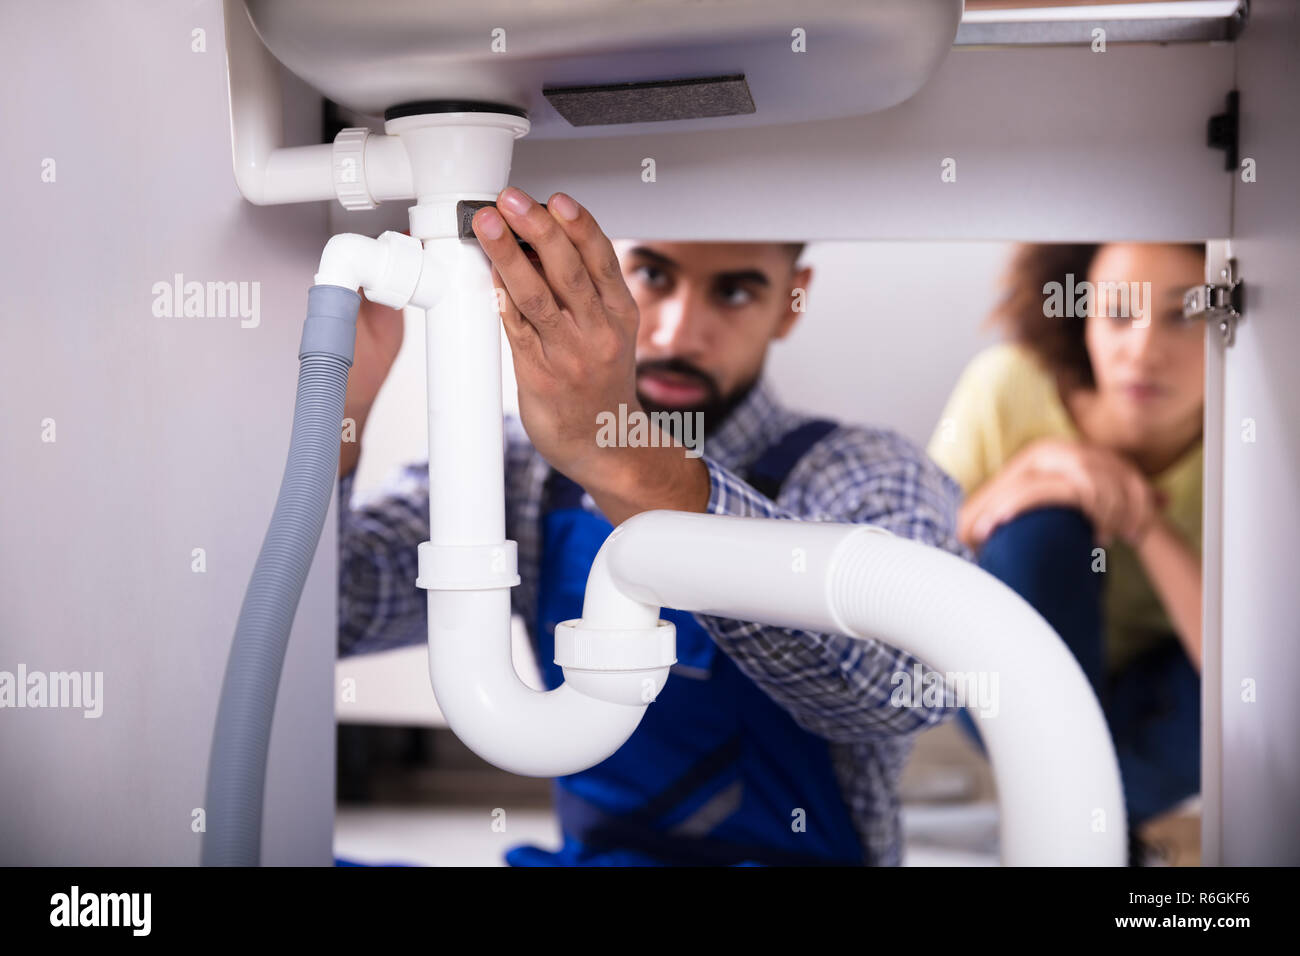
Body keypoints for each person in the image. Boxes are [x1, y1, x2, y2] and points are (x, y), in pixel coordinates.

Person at [337, 186, 966, 866]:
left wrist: (620, 459)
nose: (676, 334)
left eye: (734, 293)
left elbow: (906, 692)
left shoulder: (869, 473)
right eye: (654, 276)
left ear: (792, 301)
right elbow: (330, 615)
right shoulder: (520, 467)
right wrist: (342, 408)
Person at [926, 242, 1205, 841]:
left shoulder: (1257, 434)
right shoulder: (1006, 385)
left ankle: (1079, 821)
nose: (1143, 351)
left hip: (1160, 700)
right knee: (1043, 523)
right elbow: (915, 569)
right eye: (1118, 314)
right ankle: (1095, 823)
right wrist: (1036, 470)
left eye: (1185, 315)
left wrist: (1143, 521)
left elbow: (1244, 668)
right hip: (1016, 686)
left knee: (1238, 692)